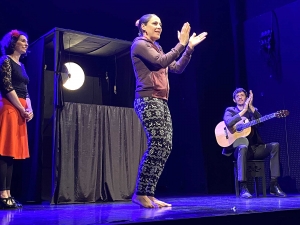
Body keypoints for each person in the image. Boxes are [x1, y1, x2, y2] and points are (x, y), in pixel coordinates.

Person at [130, 14, 207, 208]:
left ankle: (149, 193)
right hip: (147, 99)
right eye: (155, 23)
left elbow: (177, 67)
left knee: (165, 145)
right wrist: (180, 44)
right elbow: (159, 62)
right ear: (144, 27)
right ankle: (139, 193)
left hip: (161, 101)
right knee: (157, 142)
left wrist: (188, 48)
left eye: (161, 24)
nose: (159, 27)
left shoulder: (158, 48)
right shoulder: (139, 44)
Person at [222, 88, 286, 198]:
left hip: (255, 149)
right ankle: (243, 186)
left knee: (275, 146)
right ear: (234, 100)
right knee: (242, 146)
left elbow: (261, 123)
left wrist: (250, 107)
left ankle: (273, 185)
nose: (240, 97)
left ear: (247, 98)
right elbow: (229, 123)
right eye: (237, 96)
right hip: (240, 150)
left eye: (242, 95)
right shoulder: (230, 111)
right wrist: (243, 111)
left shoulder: (252, 111)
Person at [0, 29, 33, 209]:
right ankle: (2, 194)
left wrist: (30, 109)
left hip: (20, 110)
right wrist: (21, 109)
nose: (26, 43)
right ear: (13, 43)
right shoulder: (5, 61)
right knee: (4, 152)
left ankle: (8, 193)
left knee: (11, 153)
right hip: (9, 108)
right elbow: (7, 87)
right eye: (22, 40)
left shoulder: (22, 66)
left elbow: (25, 90)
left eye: (26, 41)